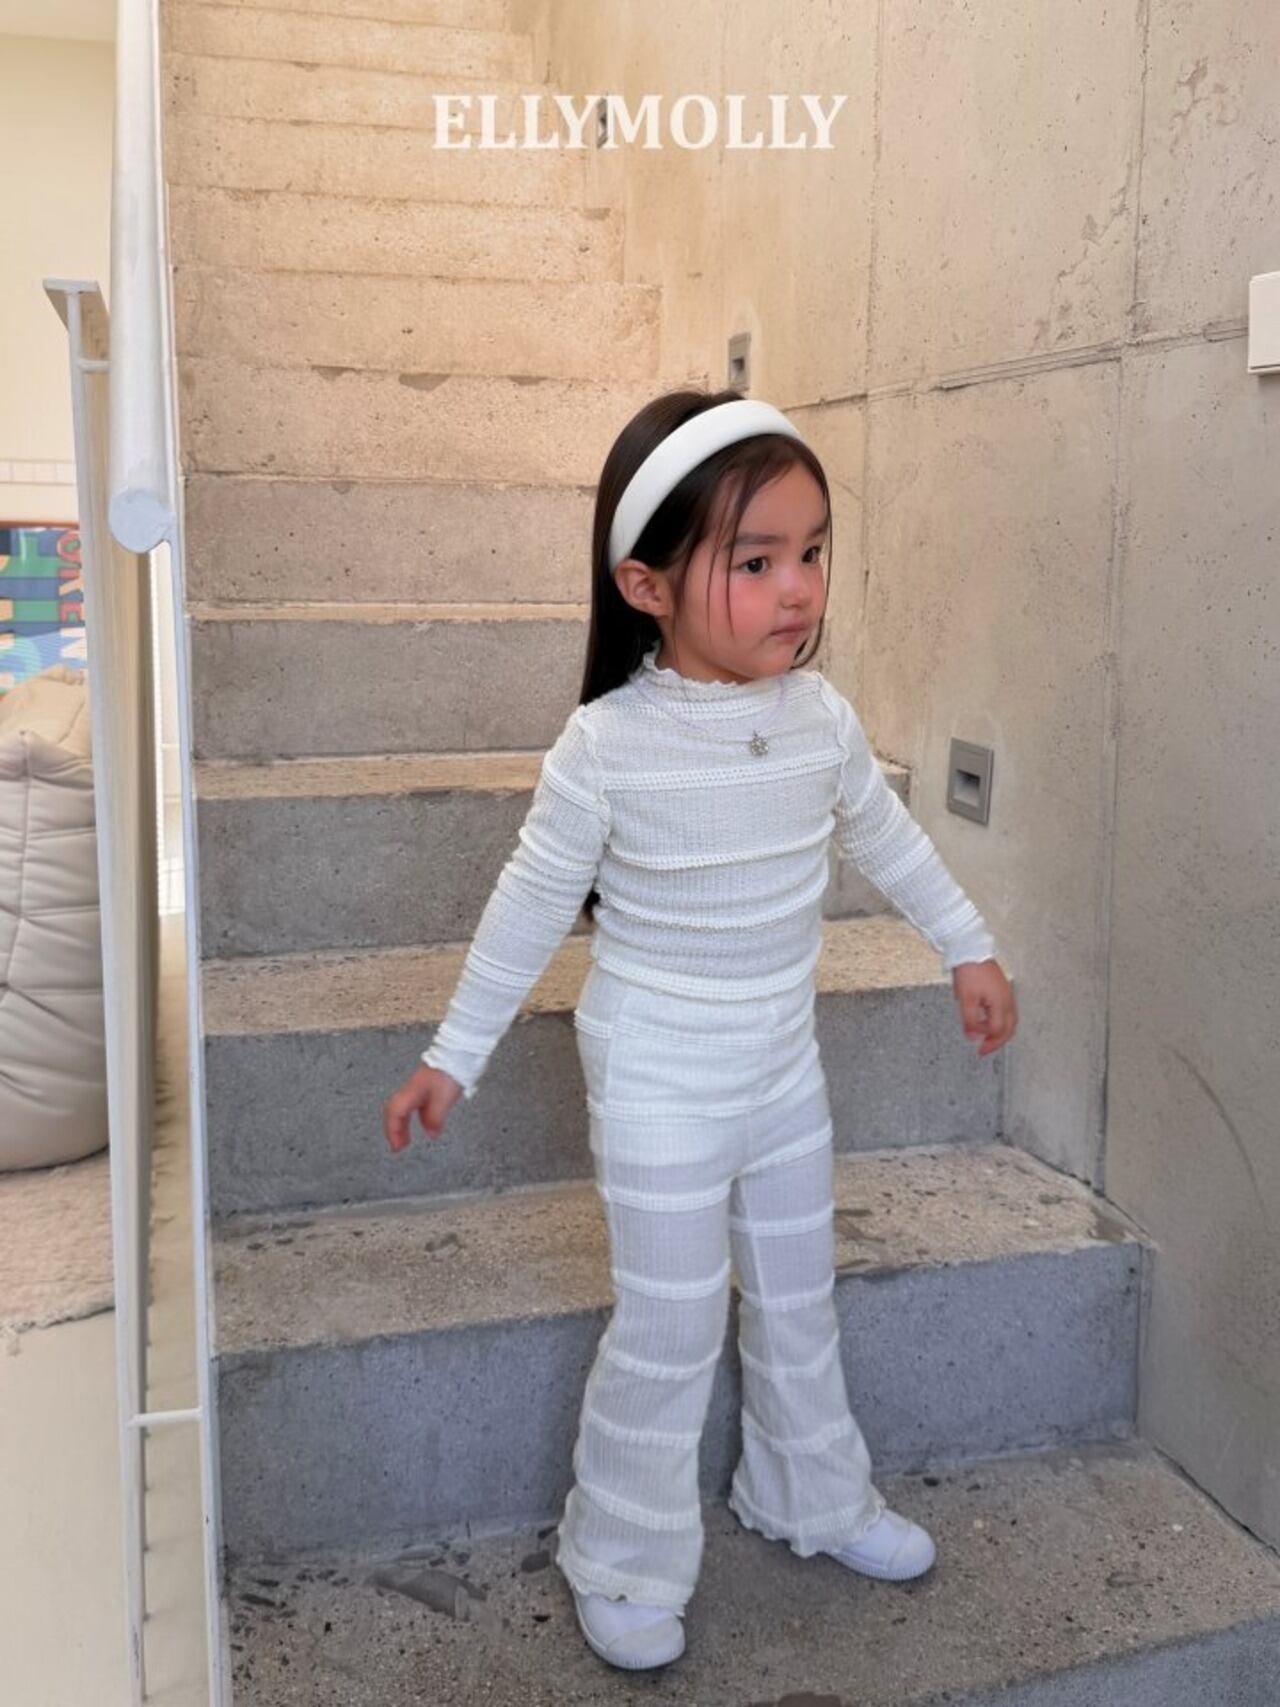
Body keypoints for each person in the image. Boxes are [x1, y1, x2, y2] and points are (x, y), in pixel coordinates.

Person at [382, 389, 1018, 1672]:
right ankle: (619, 1554)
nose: (798, 588)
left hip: (781, 1071)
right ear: (646, 584)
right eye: (754, 560)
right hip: (657, 1076)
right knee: (669, 1327)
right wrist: (454, 1053)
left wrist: (966, 943)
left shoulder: (819, 719)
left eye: (811, 551)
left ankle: (810, 1495)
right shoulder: (605, 747)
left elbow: (886, 838)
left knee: (795, 1296)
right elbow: (527, 905)